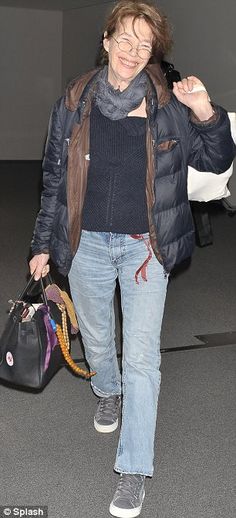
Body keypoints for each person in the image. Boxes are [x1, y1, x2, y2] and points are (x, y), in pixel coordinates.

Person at [29, 1, 235, 516]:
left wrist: (206, 111)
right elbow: (55, 180)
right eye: (125, 38)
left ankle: (134, 468)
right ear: (105, 40)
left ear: (153, 54)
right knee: (99, 342)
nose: (132, 51)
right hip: (87, 245)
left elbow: (216, 160)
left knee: (142, 358)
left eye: (144, 44)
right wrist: (40, 244)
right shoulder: (74, 102)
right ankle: (107, 389)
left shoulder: (169, 106)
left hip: (147, 247)